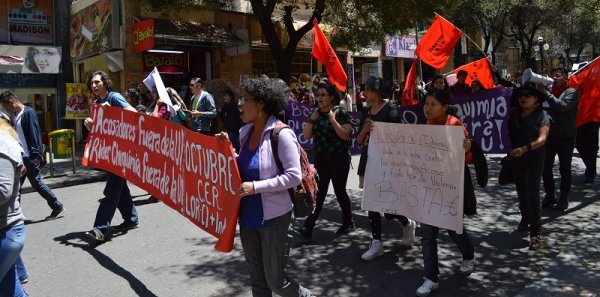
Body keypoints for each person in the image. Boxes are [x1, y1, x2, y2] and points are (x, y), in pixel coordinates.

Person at [216, 78, 313, 297]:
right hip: (248, 218)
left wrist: (256, 187)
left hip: (274, 219)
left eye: (245, 99)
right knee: (258, 283)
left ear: (261, 104)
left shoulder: (282, 134)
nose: (240, 104)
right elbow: (245, 165)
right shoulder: (245, 132)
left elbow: (294, 176)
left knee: (277, 282)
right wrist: (228, 149)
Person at [415, 88, 476, 297]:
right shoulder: (427, 126)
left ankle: (468, 254)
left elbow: (468, 160)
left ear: (444, 107)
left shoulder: (454, 126)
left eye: (433, 104)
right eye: (426, 104)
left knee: (453, 230)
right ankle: (431, 278)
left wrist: (467, 149)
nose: (428, 108)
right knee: (427, 235)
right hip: (429, 188)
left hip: (450, 189)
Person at [355, 76, 416, 260]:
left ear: (377, 91)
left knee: (389, 207)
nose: (364, 93)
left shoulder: (391, 111)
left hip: (388, 165)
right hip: (368, 162)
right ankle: (376, 242)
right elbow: (358, 141)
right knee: (371, 202)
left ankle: (407, 222)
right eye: (364, 89)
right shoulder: (365, 113)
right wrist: (365, 130)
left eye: (368, 89)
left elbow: (399, 141)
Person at [292, 82, 354, 242]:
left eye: (323, 95)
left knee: (340, 192)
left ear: (331, 97)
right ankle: (308, 227)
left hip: (339, 158)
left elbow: (345, 135)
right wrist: (311, 120)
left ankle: (348, 222)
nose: (319, 98)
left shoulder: (340, 112)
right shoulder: (315, 113)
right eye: (317, 95)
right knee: (319, 192)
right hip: (321, 158)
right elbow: (306, 136)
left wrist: (333, 121)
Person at [83, 71, 139, 242]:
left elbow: (133, 113)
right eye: (92, 83)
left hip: (120, 153)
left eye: (97, 82)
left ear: (105, 83)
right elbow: (103, 130)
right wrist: (90, 125)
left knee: (112, 190)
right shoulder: (96, 103)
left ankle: (101, 228)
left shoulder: (113, 97)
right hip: (108, 153)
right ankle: (131, 219)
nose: (94, 86)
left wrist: (113, 112)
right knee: (120, 188)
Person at [0, 91, 65, 220]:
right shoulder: (16, 115)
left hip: (29, 156)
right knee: (16, 185)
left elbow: (35, 134)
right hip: (21, 156)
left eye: (6, 106)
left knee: (36, 183)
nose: (6, 109)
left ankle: (57, 205)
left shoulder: (28, 113)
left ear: (11, 102)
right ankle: (12, 212)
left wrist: (35, 155)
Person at [507, 82, 550, 250]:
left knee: (533, 194)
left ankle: (535, 234)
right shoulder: (512, 114)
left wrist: (524, 149)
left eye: (527, 95)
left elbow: (542, 139)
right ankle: (525, 218)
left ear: (536, 99)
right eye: (520, 95)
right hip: (517, 159)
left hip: (534, 158)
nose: (523, 97)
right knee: (521, 192)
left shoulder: (542, 115)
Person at [539, 67, 580, 210]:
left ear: (565, 77)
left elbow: (561, 106)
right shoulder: (548, 92)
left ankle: (564, 197)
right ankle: (550, 195)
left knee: (564, 169)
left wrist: (545, 94)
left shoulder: (571, 92)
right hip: (549, 137)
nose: (555, 78)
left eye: (558, 75)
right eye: (553, 75)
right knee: (545, 168)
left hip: (565, 137)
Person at [0, 120, 29, 297]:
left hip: (6, 232)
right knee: (9, 290)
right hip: (6, 232)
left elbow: (3, 191)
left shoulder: (3, 146)